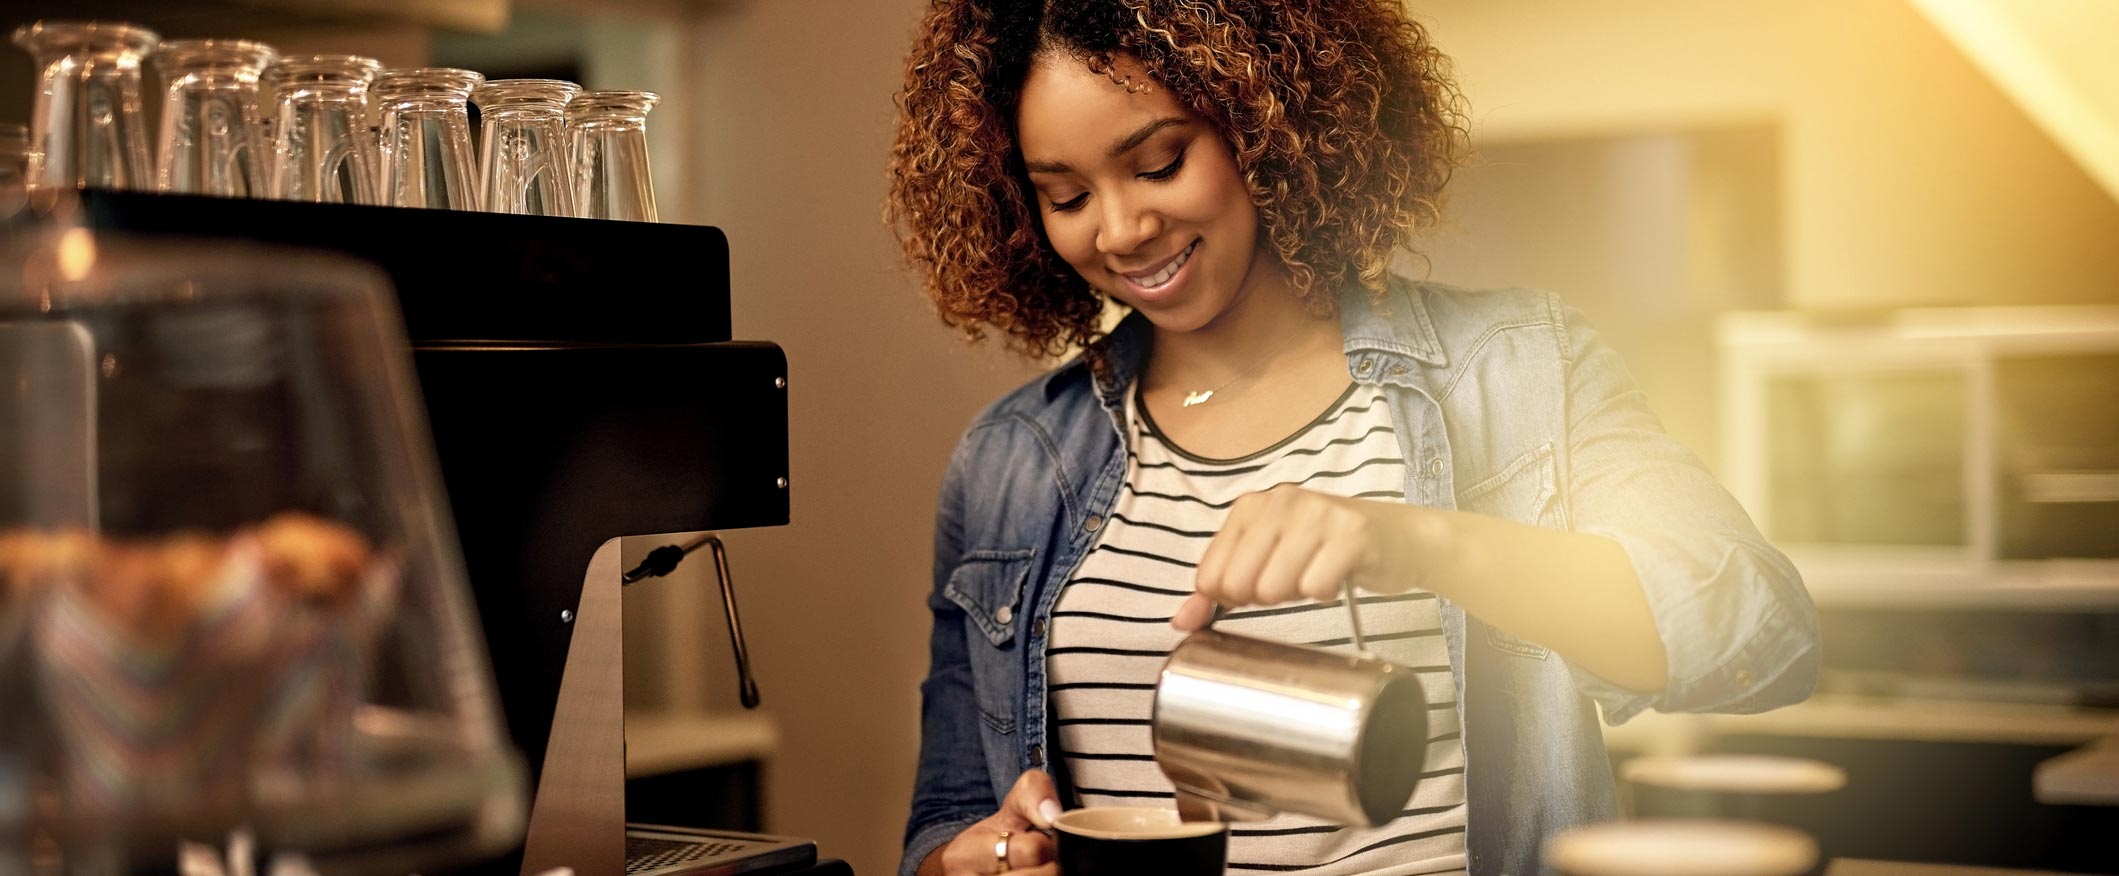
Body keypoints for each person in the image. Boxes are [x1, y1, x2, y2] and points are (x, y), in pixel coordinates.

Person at [882, 2, 1821, 874]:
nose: (1121, 229)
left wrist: (1417, 540)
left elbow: (1762, 638)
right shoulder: (1011, 460)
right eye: (1065, 195)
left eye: (1159, 162)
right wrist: (976, 858)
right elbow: (948, 816)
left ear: (1264, 124)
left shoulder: (1516, 369)